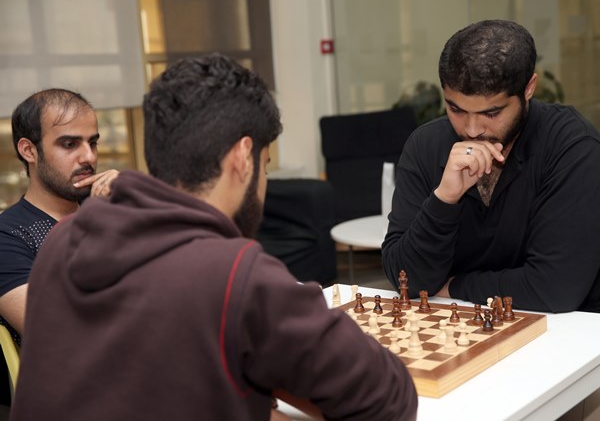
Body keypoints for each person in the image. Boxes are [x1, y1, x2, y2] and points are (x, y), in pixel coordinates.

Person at [11, 54, 418, 421]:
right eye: (264, 165)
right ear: (243, 157)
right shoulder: (238, 273)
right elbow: (390, 400)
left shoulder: (60, 243)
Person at [382, 20, 600, 316]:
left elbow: (554, 290)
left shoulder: (572, 145)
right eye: (456, 109)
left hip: (589, 324)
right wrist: (445, 198)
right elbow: (406, 280)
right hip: (473, 321)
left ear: (528, 88)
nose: (472, 129)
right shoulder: (425, 146)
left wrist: (454, 287)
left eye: (491, 112)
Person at [0, 88, 119, 338]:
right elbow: (56, 330)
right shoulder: (8, 235)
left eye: (93, 142)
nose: (89, 157)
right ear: (29, 151)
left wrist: (132, 202)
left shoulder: (111, 208)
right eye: (69, 144)